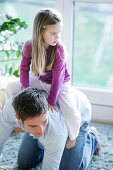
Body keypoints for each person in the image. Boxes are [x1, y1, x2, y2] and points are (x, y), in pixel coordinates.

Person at [5, 8, 81, 149]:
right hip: (40, 80)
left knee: (70, 109)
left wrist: (52, 100)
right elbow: (24, 69)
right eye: (53, 33)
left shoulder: (59, 49)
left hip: (60, 82)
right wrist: (25, 91)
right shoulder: (29, 46)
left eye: (59, 33)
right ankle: (18, 114)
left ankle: (74, 134)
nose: (57, 37)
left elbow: (58, 78)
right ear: (40, 31)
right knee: (10, 87)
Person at [0, 87, 101, 170]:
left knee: (68, 168)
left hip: (78, 116)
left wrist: (51, 143)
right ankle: (49, 144)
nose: (41, 130)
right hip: (53, 128)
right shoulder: (10, 108)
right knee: (24, 163)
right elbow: (1, 136)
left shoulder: (57, 133)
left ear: (46, 111)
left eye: (44, 121)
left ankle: (91, 137)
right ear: (18, 118)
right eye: (33, 125)